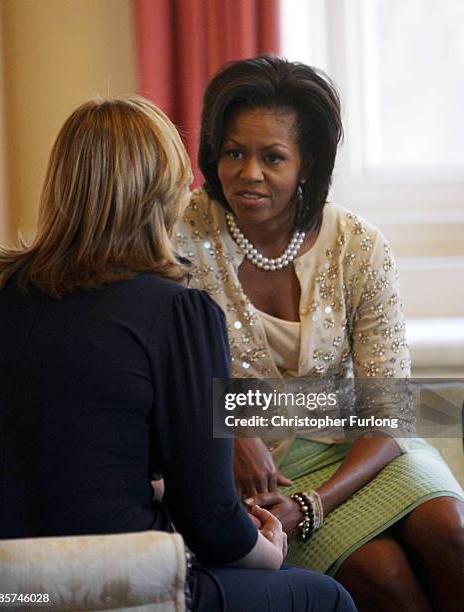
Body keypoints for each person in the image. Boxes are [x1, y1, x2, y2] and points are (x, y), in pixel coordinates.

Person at [0, 96, 356, 612]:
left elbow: (63, 460)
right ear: (163, 192)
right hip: (118, 584)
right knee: (326, 595)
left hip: (8, 588)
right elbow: (209, 517)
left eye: (272, 157)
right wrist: (266, 550)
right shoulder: (178, 312)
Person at [174, 56, 464, 611]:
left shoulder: (359, 246)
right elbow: (155, 370)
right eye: (234, 152)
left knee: (449, 529)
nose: (249, 173)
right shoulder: (177, 236)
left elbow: (389, 408)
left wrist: (311, 506)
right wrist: (228, 429)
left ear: (307, 164)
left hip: (364, 451)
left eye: (272, 157)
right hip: (269, 476)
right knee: (381, 574)